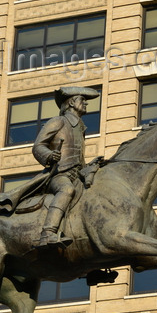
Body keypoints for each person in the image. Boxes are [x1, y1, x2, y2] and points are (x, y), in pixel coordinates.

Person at [33, 86, 100, 249]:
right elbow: (38, 146)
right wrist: (49, 155)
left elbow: (79, 157)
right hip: (59, 176)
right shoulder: (59, 121)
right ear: (71, 102)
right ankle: (47, 234)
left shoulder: (80, 127)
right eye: (82, 100)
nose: (85, 104)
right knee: (67, 190)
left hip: (77, 175)